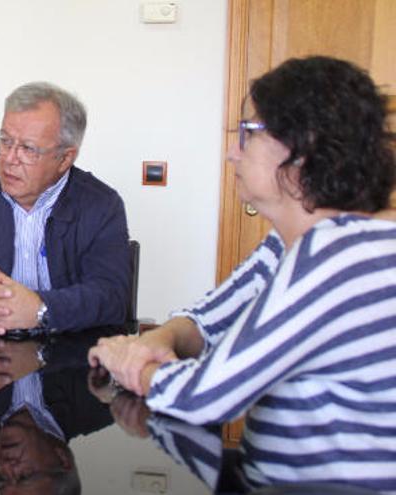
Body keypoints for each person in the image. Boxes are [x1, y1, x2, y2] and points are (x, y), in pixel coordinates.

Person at [88, 56, 396, 489]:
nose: (232, 151)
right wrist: (156, 341)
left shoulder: (339, 255)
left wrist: (128, 362)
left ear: (301, 150)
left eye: (249, 134)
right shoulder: (296, 242)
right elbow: (209, 317)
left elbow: (207, 396)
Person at [0, 82, 130, 336]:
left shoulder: (101, 204)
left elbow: (111, 296)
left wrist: (41, 309)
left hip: (67, 358)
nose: (8, 158)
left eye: (27, 148)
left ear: (65, 158)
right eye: (5, 141)